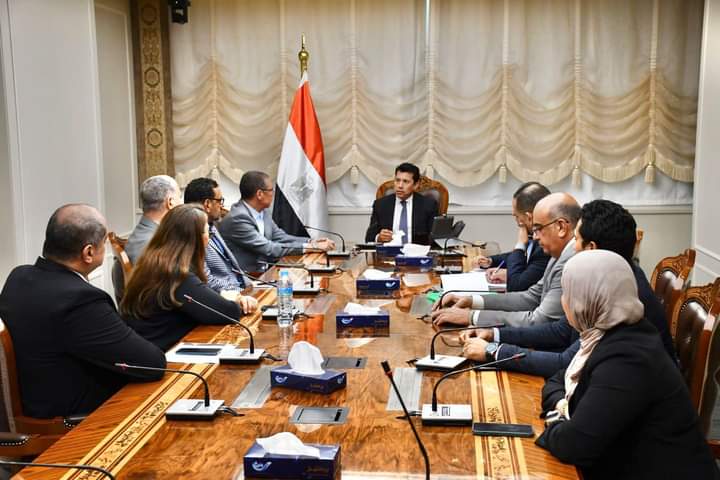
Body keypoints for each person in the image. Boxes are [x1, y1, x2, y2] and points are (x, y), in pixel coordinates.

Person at [535, 250, 719, 480]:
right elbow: (557, 379)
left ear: (586, 299)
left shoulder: (628, 356)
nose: (563, 301)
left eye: (567, 293)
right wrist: (564, 407)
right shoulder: (609, 333)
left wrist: (554, 421)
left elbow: (574, 445)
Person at [460, 200, 676, 376]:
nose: (573, 247)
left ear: (591, 248)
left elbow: (567, 362)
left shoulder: (621, 296)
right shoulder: (614, 277)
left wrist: (494, 351)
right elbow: (562, 331)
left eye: (577, 240)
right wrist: (495, 334)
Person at [0, 205, 166, 419]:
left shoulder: (19, 276)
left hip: (34, 401)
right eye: (104, 243)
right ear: (88, 252)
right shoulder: (80, 300)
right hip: (71, 418)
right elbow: (152, 364)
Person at [120, 205, 258, 351]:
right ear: (196, 238)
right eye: (208, 233)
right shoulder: (177, 275)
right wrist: (237, 301)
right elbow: (228, 312)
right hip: (163, 355)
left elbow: (202, 299)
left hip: (148, 347)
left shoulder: (156, 263)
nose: (209, 239)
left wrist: (224, 297)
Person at [432, 192, 580, 328]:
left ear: (561, 227)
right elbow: (531, 298)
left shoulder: (570, 262)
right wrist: (472, 300)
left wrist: (472, 317)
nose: (534, 237)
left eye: (538, 229)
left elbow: (538, 321)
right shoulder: (559, 254)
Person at [218, 171, 335, 272]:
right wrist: (313, 247)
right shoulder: (238, 218)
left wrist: (311, 241)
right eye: (271, 190)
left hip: (265, 273)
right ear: (259, 194)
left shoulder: (262, 211)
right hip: (246, 277)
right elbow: (269, 248)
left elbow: (281, 237)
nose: (273, 194)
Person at [112, 175, 181, 300]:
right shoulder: (152, 244)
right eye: (179, 198)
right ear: (170, 202)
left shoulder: (144, 234)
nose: (181, 203)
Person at [474, 182, 551, 291]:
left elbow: (516, 286)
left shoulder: (545, 245)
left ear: (529, 217)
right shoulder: (538, 235)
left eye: (517, 216)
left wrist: (520, 244)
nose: (517, 221)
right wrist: (491, 261)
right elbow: (522, 256)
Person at [184, 177, 250, 293]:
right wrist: (241, 293)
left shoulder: (212, 225)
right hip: (228, 296)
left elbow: (234, 269)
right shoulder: (192, 236)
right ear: (207, 204)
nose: (222, 206)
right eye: (220, 201)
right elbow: (208, 281)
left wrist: (253, 286)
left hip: (244, 290)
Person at [365, 162, 439, 245]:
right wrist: (378, 237)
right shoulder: (381, 205)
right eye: (397, 180)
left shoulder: (429, 205)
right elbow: (369, 238)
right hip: (389, 252)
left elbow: (436, 239)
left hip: (417, 251)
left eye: (405, 181)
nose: (400, 186)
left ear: (415, 185)